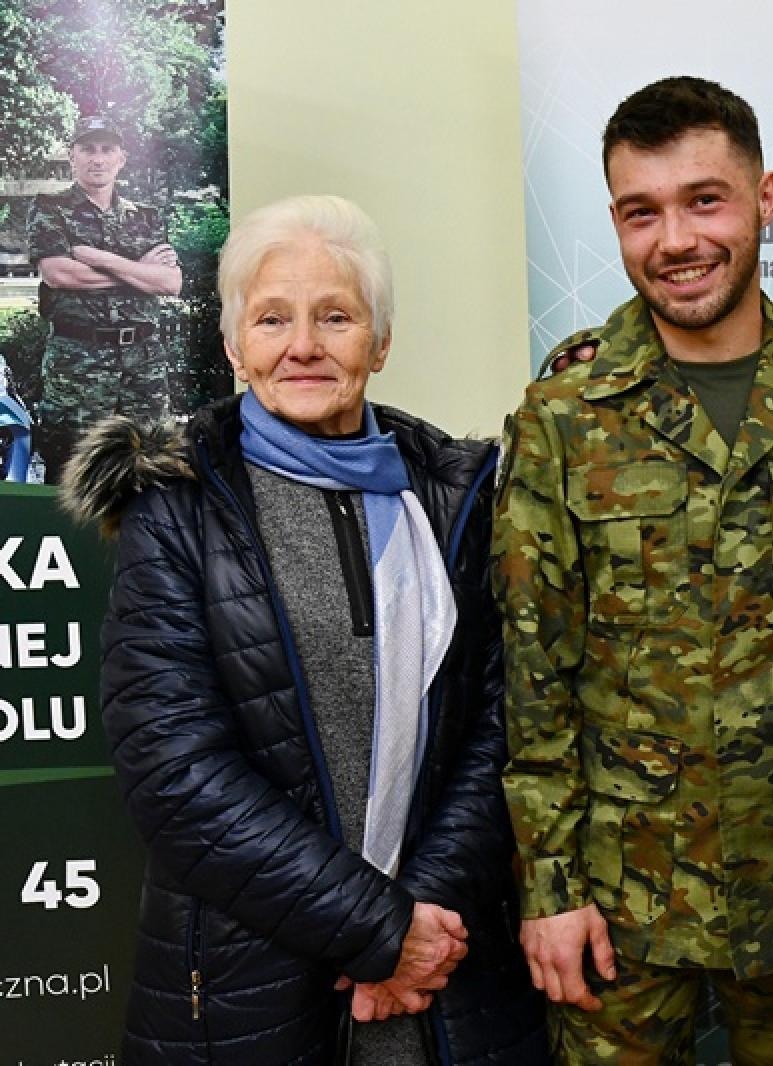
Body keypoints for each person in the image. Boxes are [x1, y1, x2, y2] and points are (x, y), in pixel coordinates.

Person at [62, 195, 545, 1064]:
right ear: (232, 345)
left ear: (381, 341)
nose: (305, 347)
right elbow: (175, 770)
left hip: (440, 983)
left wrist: (418, 930)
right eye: (273, 318)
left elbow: (495, 728)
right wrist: (376, 929)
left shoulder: (457, 496)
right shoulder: (174, 509)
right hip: (249, 990)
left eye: (337, 317)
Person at [495, 76, 773, 1064]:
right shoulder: (568, 407)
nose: (675, 239)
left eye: (703, 200)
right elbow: (533, 674)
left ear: (764, 198)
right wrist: (550, 891)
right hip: (622, 892)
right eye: (643, 212)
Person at [27, 116, 182, 482]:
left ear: (121, 158)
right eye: (87, 149)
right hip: (78, 365)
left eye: (106, 149)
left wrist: (100, 259)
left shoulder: (145, 217)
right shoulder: (50, 207)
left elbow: (171, 282)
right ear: (72, 156)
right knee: (73, 470)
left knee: (154, 465)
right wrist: (139, 272)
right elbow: (59, 274)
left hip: (143, 363)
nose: (97, 159)